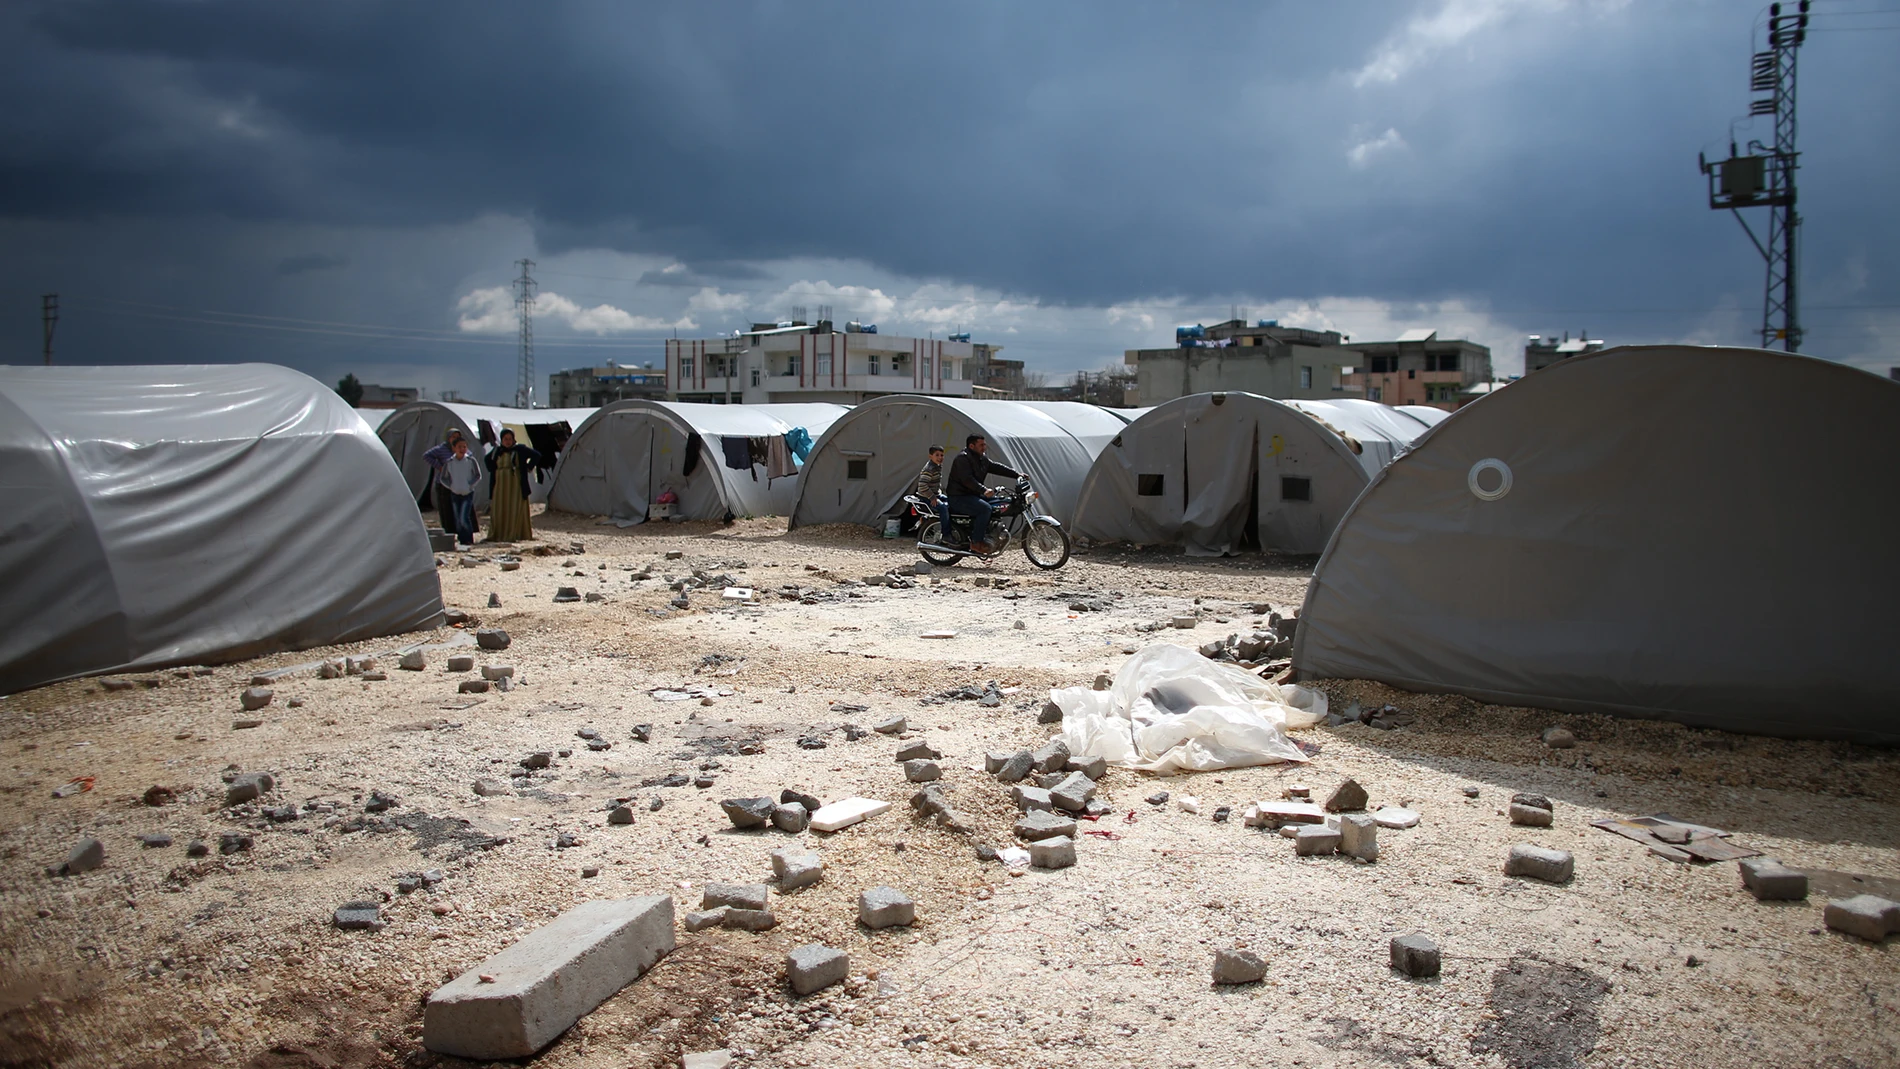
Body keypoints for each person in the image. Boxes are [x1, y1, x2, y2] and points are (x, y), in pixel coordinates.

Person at [945, 433, 1020, 554]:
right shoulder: (962, 459)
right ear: (971, 446)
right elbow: (967, 480)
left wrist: (1016, 474)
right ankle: (976, 542)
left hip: (972, 495)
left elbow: (996, 467)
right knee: (985, 509)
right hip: (959, 497)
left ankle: (989, 535)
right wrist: (983, 490)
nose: (984, 447)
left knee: (997, 503)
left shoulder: (981, 458)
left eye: (984, 444)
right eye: (981, 445)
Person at [485, 429, 544, 542]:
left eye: (510, 439)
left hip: (516, 484)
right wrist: (493, 468)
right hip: (501, 484)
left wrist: (528, 467)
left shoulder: (520, 449)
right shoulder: (497, 451)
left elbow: (536, 455)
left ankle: (514, 533)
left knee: (515, 507)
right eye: (505, 439)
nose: (507, 442)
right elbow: (487, 460)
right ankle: (499, 534)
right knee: (500, 506)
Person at [440, 434, 485, 546]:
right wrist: (451, 486)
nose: (462, 449)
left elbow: (478, 475)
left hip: (467, 493)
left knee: (464, 517)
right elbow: (443, 478)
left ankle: (468, 538)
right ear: (454, 448)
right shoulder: (449, 462)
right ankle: (462, 539)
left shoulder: (470, 460)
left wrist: (470, 485)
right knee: (457, 518)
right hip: (455, 493)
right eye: (460, 447)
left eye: (464, 447)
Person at [421, 430, 466, 533]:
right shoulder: (442, 449)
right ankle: (449, 531)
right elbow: (426, 456)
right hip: (444, 484)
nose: (455, 439)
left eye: (457, 437)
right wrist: (440, 467)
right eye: (453, 437)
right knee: (446, 509)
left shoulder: (461, 448)